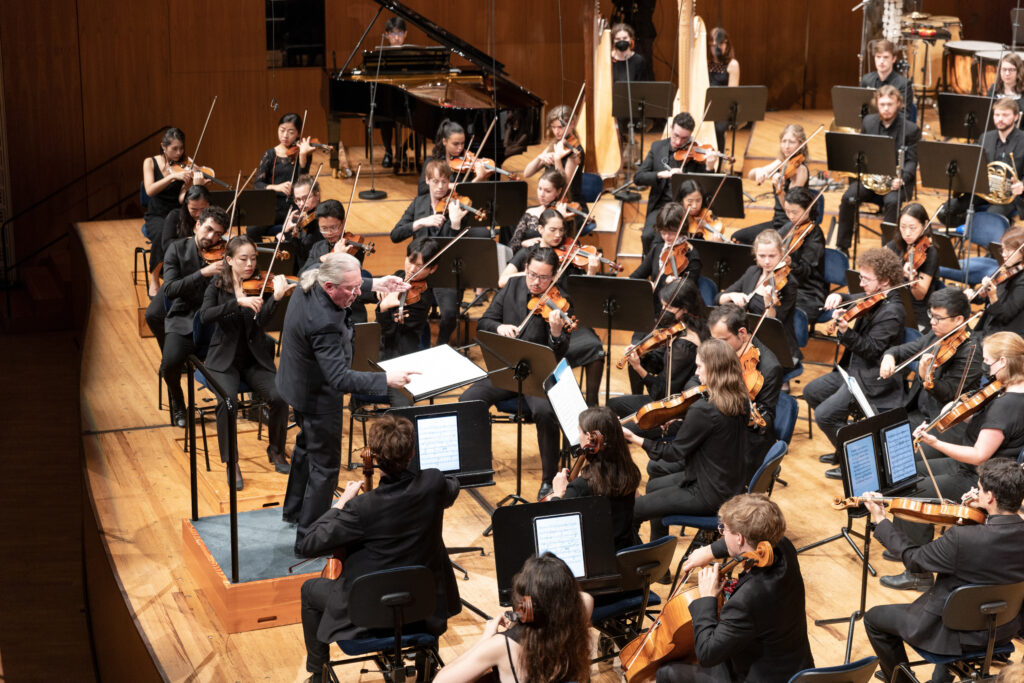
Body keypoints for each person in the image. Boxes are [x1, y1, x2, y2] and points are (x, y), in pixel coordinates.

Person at [296, 414, 461, 681]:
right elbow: (452, 486)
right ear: (412, 452)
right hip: (424, 608)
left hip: (366, 616)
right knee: (424, 575)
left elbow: (308, 543)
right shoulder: (433, 485)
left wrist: (343, 502)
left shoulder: (361, 508)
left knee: (309, 590)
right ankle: (425, 670)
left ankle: (318, 676)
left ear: (372, 455)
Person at [276, 252, 417, 549]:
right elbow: (339, 378)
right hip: (316, 396)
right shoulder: (324, 321)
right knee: (325, 466)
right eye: (351, 290)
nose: (357, 294)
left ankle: (293, 511)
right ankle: (310, 537)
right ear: (330, 287)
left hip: (295, 383)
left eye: (358, 286)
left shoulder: (313, 273)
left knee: (305, 447)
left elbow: (337, 273)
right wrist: (386, 378)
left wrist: (377, 283)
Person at [882, 331, 1024, 589]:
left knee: (908, 491)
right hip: (968, 468)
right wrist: (963, 414)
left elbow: (980, 454)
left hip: (978, 479)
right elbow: (989, 426)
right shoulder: (1008, 389)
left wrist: (935, 442)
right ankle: (912, 542)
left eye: (988, 360)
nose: (986, 367)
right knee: (906, 473)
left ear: (1003, 362)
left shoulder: (1009, 405)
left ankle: (919, 572)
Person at [862, 458, 1024, 683]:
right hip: (1003, 629)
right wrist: (978, 516)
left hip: (950, 632)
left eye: (979, 489)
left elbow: (915, 561)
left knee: (873, 618)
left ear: (989, 497)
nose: (976, 492)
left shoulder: (962, 538)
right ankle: (941, 678)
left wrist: (881, 522)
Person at [659, 494, 814, 682]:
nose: (722, 533)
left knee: (667, 672)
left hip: (760, 677)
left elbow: (707, 654)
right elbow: (748, 539)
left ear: (739, 538)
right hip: (796, 670)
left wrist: (707, 598)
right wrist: (710, 550)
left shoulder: (747, 599)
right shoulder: (782, 548)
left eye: (724, 529)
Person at [460, 247, 571, 500]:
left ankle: (548, 479)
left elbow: (563, 351)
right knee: (468, 401)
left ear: (553, 277)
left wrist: (555, 334)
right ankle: (478, 466)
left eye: (544, 278)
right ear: (526, 269)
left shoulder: (560, 301)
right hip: (508, 369)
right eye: (532, 274)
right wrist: (500, 327)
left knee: (544, 413)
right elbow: (485, 322)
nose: (536, 282)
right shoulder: (511, 287)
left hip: (539, 377)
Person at [626, 338, 751, 542]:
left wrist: (634, 438)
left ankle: (639, 559)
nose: (696, 372)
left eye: (700, 366)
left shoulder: (703, 410)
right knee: (653, 486)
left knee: (633, 510)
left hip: (708, 492)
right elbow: (714, 431)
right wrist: (688, 420)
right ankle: (657, 553)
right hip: (730, 484)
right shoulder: (739, 398)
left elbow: (674, 453)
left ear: (713, 369)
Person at [198, 236, 294, 489]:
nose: (250, 263)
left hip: (253, 359)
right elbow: (205, 316)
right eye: (243, 259)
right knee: (228, 402)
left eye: (253, 258)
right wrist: (236, 302)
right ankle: (232, 463)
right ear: (229, 260)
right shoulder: (216, 287)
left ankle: (275, 449)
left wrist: (277, 299)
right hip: (224, 361)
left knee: (280, 395)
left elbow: (261, 323)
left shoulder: (260, 284)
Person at [805, 247, 906, 475]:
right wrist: (840, 296)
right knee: (812, 392)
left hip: (872, 377)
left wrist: (845, 332)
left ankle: (857, 460)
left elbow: (871, 350)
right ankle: (844, 446)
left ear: (885, 281)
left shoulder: (893, 312)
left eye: (866, 279)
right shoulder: (874, 296)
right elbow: (856, 297)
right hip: (853, 369)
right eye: (860, 276)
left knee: (824, 415)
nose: (861, 283)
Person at [498, 209, 605, 405]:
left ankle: (591, 405)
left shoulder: (571, 255)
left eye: (561, 231)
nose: (558, 235)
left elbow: (585, 296)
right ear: (540, 229)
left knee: (596, 348)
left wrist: (591, 272)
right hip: (538, 320)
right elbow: (502, 280)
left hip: (565, 317)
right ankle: (553, 394)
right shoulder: (527, 253)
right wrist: (534, 274)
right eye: (553, 230)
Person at [434, 553, 593, 683]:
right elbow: (580, 597)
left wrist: (485, 640)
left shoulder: (501, 646)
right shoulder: (580, 610)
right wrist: (523, 614)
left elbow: (440, 681)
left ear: (524, 598)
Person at [391, 159, 475, 347]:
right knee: (410, 311)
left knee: (450, 314)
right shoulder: (418, 204)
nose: (440, 187)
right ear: (427, 180)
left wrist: (454, 225)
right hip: (418, 273)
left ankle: (441, 345)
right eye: (436, 181)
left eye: (445, 182)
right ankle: (415, 346)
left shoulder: (457, 206)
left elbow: (461, 249)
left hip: (444, 271)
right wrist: (421, 222)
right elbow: (395, 235)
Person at [157, 206, 228, 427]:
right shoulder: (176, 250)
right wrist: (203, 273)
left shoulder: (224, 253)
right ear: (197, 225)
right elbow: (169, 289)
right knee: (169, 365)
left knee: (252, 346)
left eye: (218, 234)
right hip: (184, 317)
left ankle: (249, 403)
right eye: (208, 229)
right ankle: (178, 402)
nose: (211, 237)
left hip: (214, 318)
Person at [609, 278, 708, 434]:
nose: (663, 311)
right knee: (613, 405)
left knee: (615, 428)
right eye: (662, 305)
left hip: (669, 411)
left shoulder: (684, 346)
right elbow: (660, 365)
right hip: (669, 399)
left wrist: (638, 368)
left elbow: (660, 393)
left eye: (668, 307)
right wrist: (642, 356)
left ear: (685, 309)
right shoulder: (689, 326)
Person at [879, 287, 983, 436]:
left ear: (959, 319)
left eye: (938, 318)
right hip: (918, 410)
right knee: (880, 432)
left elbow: (948, 395)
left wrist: (926, 377)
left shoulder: (971, 351)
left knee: (897, 447)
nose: (932, 322)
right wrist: (890, 356)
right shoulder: (937, 334)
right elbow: (903, 350)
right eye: (931, 315)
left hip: (942, 423)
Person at [835, 85, 920, 255]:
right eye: (882, 104)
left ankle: (886, 252)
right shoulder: (868, 122)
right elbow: (862, 152)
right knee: (848, 197)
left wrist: (901, 179)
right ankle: (842, 247)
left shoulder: (910, 129)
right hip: (871, 182)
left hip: (895, 184)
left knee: (892, 202)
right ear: (877, 104)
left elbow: (912, 161)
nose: (886, 108)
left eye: (890, 104)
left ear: (899, 104)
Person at [548, 406, 643, 550]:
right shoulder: (630, 472)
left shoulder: (581, 487)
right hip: (625, 554)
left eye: (579, 431)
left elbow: (556, 526)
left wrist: (558, 493)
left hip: (595, 558)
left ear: (588, 438)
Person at [706, 303, 783, 480]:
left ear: (742, 333)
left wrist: (746, 414)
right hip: (718, 422)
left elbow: (767, 418)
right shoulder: (722, 347)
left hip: (746, 439)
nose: (716, 346)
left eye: (722, 340)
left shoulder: (770, 368)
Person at [634, 112, 717, 254]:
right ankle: (649, 272)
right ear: (671, 128)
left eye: (684, 138)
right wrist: (662, 174)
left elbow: (707, 189)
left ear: (691, 135)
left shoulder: (697, 154)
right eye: (676, 135)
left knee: (683, 240)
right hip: (661, 206)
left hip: (686, 208)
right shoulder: (657, 147)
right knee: (648, 236)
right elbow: (639, 177)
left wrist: (709, 167)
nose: (678, 142)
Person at [939, 98, 1024, 227]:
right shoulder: (985, 137)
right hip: (983, 191)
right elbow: (972, 164)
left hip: (1009, 196)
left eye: (1005, 115)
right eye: (997, 115)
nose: (1000, 119)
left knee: (989, 220)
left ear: (1016, 117)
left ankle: (988, 228)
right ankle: (972, 227)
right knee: (944, 212)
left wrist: (1022, 185)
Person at [718, 229, 800, 363]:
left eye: (772, 256)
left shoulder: (789, 284)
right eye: (762, 256)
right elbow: (719, 298)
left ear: (781, 253)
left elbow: (776, 323)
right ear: (755, 254)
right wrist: (732, 295)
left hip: (776, 344)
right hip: (749, 339)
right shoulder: (752, 272)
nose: (767, 261)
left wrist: (768, 302)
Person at [376, 236, 439, 403]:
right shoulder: (396, 277)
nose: (411, 269)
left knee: (403, 410)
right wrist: (375, 286)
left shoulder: (423, 299)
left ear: (432, 269)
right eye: (410, 261)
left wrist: (383, 307)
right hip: (377, 351)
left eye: (419, 266)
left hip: (401, 356)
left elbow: (389, 331)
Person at [143, 127, 203, 296]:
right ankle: (154, 278)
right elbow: (149, 191)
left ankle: (180, 276)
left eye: (181, 148)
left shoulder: (186, 165)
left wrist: (193, 185)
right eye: (174, 149)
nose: (178, 153)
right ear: (163, 146)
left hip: (177, 213)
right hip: (156, 214)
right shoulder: (150, 162)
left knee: (188, 233)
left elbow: (181, 200)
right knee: (162, 232)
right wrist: (171, 177)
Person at [734, 124, 809, 245]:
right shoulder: (782, 162)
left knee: (764, 245)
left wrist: (779, 189)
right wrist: (759, 171)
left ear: (801, 144)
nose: (786, 146)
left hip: (791, 225)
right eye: (783, 141)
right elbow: (750, 175)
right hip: (776, 222)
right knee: (737, 237)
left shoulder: (801, 170)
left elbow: (790, 210)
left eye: (791, 142)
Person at [252, 112, 313, 238]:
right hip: (272, 207)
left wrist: (302, 155)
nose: (285, 135)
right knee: (252, 230)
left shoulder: (303, 153)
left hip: (294, 206)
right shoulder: (270, 155)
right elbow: (257, 184)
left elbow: (302, 181)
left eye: (291, 132)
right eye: (282, 130)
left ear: (298, 134)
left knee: (301, 229)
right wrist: (276, 187)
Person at [886, 202, 939, 331]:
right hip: (894, 302)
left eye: (912, 227)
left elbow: (919, 295)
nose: (907, 233)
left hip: (915, 311)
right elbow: (877, 263)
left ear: (925, 224)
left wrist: (911, 279)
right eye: (903, 227)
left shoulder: (931, 253)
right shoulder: (897, 244)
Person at [523, 105, 585, 206]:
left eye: (560, 127)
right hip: (550, 202)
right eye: (553, 127)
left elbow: (564, 188)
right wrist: (540, 157)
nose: (556, 131)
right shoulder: (555, 144)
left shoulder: (575, 151)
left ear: (572, 124)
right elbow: (527, 173)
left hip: (567, 204)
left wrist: (557, 159)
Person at [416, 119, 491, 196]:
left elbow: (472, 194)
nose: (460, 148)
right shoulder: (432, 161)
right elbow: (422, 189)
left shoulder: (466, 164)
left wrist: (482, 177)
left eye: (462, 143)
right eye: (456, 144)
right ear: (444, 141)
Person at [508, 169, 573, 252]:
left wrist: (561, 219)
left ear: (558, 191)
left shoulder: (564, 215)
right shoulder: (530, 213)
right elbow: (512, 245)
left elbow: (564, 248)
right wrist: (523, 243)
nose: (541, 194)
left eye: (547, 191)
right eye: (540, 188)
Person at [974, 225, 1024, 334]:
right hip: (989, 327)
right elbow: (984, 297)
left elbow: (1005, 315)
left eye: (1009, 250)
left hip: (1006, 335)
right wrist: (976, 294)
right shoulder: (1007, 268)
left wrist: (992, 295)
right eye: (1003, 249)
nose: (1004, 255)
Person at [377, 16, 407, 169]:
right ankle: (388, 151)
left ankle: (403, 150)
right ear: (387, 35)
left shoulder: (411, 54)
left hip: (408, 94)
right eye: (393, 34)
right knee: (385, 117)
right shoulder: (380, 55)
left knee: (422, 119)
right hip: (387, 96)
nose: (396, 38)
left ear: (405, 34)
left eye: (400, 33)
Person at [278, 174, 324, 271]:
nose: (302, 204)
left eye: (306, 198)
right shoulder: (298, 217)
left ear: (317, 195)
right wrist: (284, 233)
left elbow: (303, 253)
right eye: (298, 200)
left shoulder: (323, 220)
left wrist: (287, 234)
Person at [611, 23, 647, 145]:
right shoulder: (607, 59)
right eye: (618, 39)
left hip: (631, 104)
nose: (622, 41)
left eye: (625, 38)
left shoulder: (638, 61)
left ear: (631, 40)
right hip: (611, 104)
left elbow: (641, 85)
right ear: (613, 41)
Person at [707, 27, 740, 156]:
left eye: (720, 44)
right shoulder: (705, 62)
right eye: (713, 45)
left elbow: (731, 95)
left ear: (727, 44)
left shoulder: (732, 64)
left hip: (723, 109)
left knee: (717, 128)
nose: (716, 48)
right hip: (706, 106)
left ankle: (718, 161)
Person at [859, 39, 913, 112]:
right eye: (878, 57)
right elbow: (860, 108)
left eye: (886, 57)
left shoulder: (904, 84)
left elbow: (904, 115)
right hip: (871, 122)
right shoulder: (866, 79)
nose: (881, 61)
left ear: (894, 59)